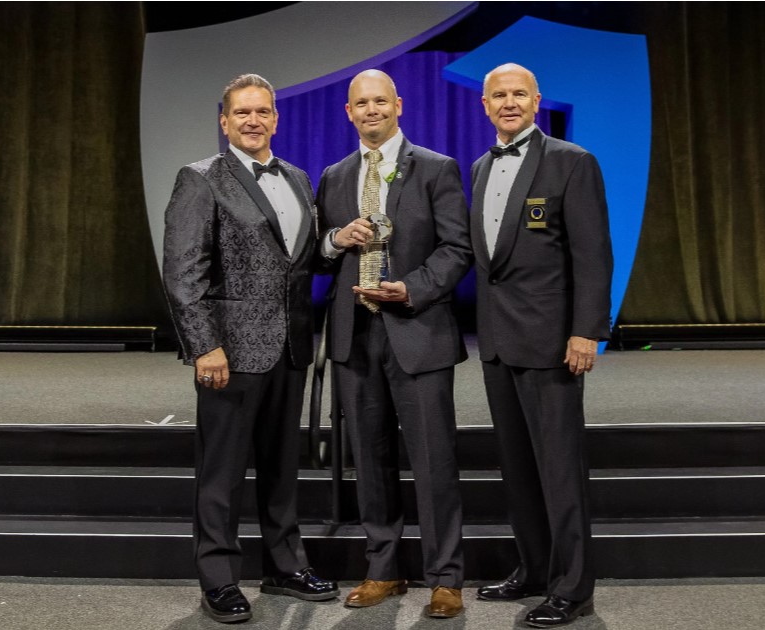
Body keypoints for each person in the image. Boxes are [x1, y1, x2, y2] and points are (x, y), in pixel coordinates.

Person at [162, 73, 338, 624]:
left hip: (289, 348)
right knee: (222, 473)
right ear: (225, 120)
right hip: (230, 353)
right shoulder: (201, 179)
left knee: (281, 470)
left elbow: (300, 262)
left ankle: (285, 565)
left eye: (263, 112)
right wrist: (204, 346)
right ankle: (218, 577)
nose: (254, 121)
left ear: (276, 119)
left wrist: (337, 242)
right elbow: (182, 274)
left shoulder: (298, 177)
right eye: (242, 113)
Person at [317, 69, 472, 618]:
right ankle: (383, 568)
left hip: (418, 330)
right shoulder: (335, 176)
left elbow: (457, 249)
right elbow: (317, 254)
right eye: (362, 103)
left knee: (433, 459)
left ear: (399, 106)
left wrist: (413, 289)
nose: (372, 110)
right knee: (370, 458)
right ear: (349, 112)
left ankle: (446, 577)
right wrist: (336, 240)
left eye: (381, 101)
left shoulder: (435, 169)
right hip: (355, 336)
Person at [471, 63, 613, 628]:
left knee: (559, 469)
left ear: (536, 100)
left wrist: (585, 331)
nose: (509, 103)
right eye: (499, 95)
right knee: (519, 468)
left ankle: (573, 587)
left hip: (554, 342)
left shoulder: (572, 162)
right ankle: (532, 569)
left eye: (519, 94)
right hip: (499, 343)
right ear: (485, 105)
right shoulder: (481, 166)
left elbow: (592, 255)